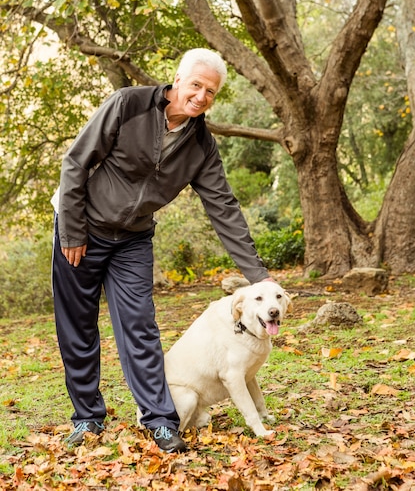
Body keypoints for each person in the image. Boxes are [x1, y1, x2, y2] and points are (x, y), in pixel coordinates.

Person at [52, 48, 276, 453]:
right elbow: (75, 163)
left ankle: (160, 420)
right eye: (196, 85)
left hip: (134, 240)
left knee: (140, 326)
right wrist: (71, 231)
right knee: (78, 328)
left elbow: (222, 207)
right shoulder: (128, 104)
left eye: (211, 91)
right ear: (178, 79)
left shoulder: (201, 145)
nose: (201, 96)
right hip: (83, 227)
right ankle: (87, 417)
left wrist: (258, 276)